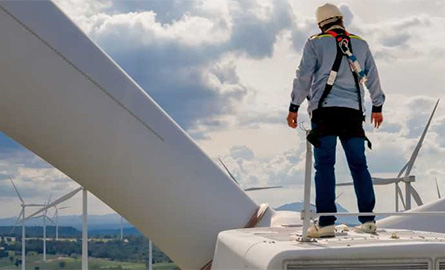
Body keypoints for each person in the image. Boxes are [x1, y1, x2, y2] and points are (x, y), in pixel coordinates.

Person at [286, 3, 385, 238]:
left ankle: (326, 221)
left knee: (325, 166)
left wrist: (293, 107)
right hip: (353, 114)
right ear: (341, 20)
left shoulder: (315, 42)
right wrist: (378, 106)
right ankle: (369, 220)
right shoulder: (361, 44)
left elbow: (303, 76)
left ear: (321, 23)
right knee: (359, 166)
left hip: (325, 113)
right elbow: (372, 75)